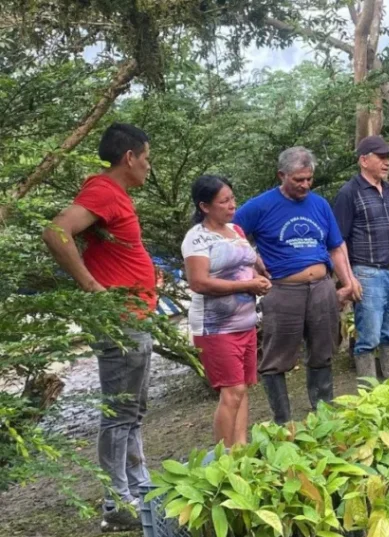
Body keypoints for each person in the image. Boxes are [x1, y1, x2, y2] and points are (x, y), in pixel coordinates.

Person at [41, 123, 158, 532]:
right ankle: (116, 500)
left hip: (134, 318)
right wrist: (92, 288)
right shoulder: (103, 190)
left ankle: (138, 487)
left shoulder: (115, 195)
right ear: (130, 157)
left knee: (133, 409)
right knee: (119, 412)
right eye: (146, 156)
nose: (148, 164)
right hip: (120, 321)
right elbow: (56, 231)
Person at [233, 147, 356, 425]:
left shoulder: (320, 205)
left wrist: (348, 282)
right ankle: (283, 422)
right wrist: (253, 262)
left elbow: (336, 246)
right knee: (277, 356)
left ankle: (323, 416)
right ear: (282, 175)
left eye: (309, 179)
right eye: (298, 180)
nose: (305, 185)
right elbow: (230, 235)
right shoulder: (260, 205)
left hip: (322, 288)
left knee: (323, 351)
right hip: (283, 291)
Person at [182, 176, 271, 448]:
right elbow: (198, 282)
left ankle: (240, 449)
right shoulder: (197, 238)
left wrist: (261, 275)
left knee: (243, 389)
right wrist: (246, 285)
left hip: (245, 322)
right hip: (216, 327)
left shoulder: (236, 230)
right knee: (231, 391)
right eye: (224, 201)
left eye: (233, 198)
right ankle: (224, 455)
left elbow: (251, 261)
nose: (232, 205)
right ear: (205, 206)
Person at [332, 136, 389, 381]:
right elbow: (339, 242)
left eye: (388, 157)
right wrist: (348, 280)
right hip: (367, 274)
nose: (387, 162)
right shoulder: (349, 193)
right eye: (381, 157)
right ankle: (367, 399)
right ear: (363, 160)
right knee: (368, 339)